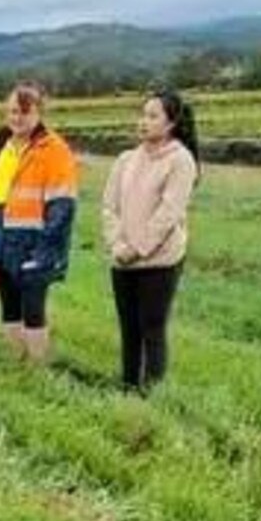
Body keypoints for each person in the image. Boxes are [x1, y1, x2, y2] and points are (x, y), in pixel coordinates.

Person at [102, 89, 199, 392]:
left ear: (171, 123)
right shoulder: (126, 159)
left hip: (160, 260)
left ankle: (152, 392)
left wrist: (138, 249)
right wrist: (118, 246)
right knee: (128, 329)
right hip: (122, 259)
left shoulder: (181, 161)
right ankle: (128, 385)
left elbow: (168, 213)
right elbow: (109, 206)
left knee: (152, 328)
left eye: (153, 116)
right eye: (142, 115)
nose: (143, 122)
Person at [0, 82, 79, 364]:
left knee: (33, 306)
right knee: (8, 303)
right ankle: (17, 362)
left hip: (33, 239)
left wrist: (45, 250)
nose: (17, 117)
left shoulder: (54, 149)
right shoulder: (3, 148)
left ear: (39, 112)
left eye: (24, 111)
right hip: (0, 236)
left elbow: (62, 205)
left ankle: (38, 367)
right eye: (12, 111)